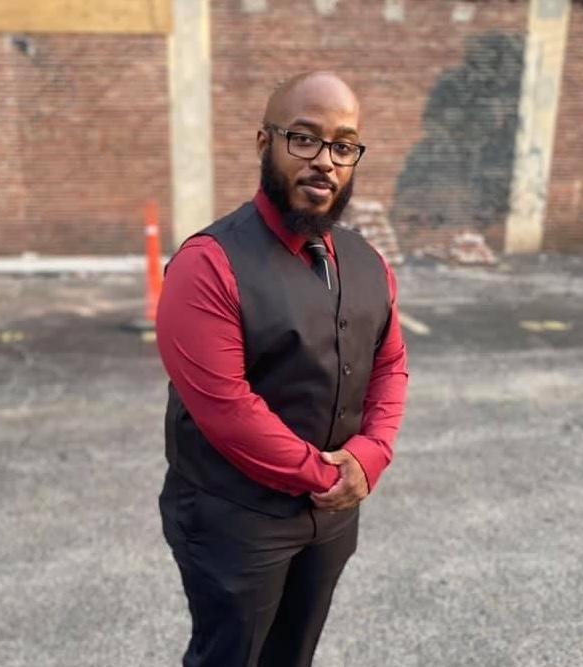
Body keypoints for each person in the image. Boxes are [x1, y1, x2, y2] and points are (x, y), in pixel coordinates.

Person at [156, 71, 408, 667]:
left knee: (294, 655)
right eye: (304, 137)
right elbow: (226, 408)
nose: (325, 160)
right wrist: (329, 477)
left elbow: (390, 363)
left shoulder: (367, 261)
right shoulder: (208, 264)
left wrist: (371, 456)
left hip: (331, 517)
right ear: (264, 142)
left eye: (343, 145)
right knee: (229, 658)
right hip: (235, 520)